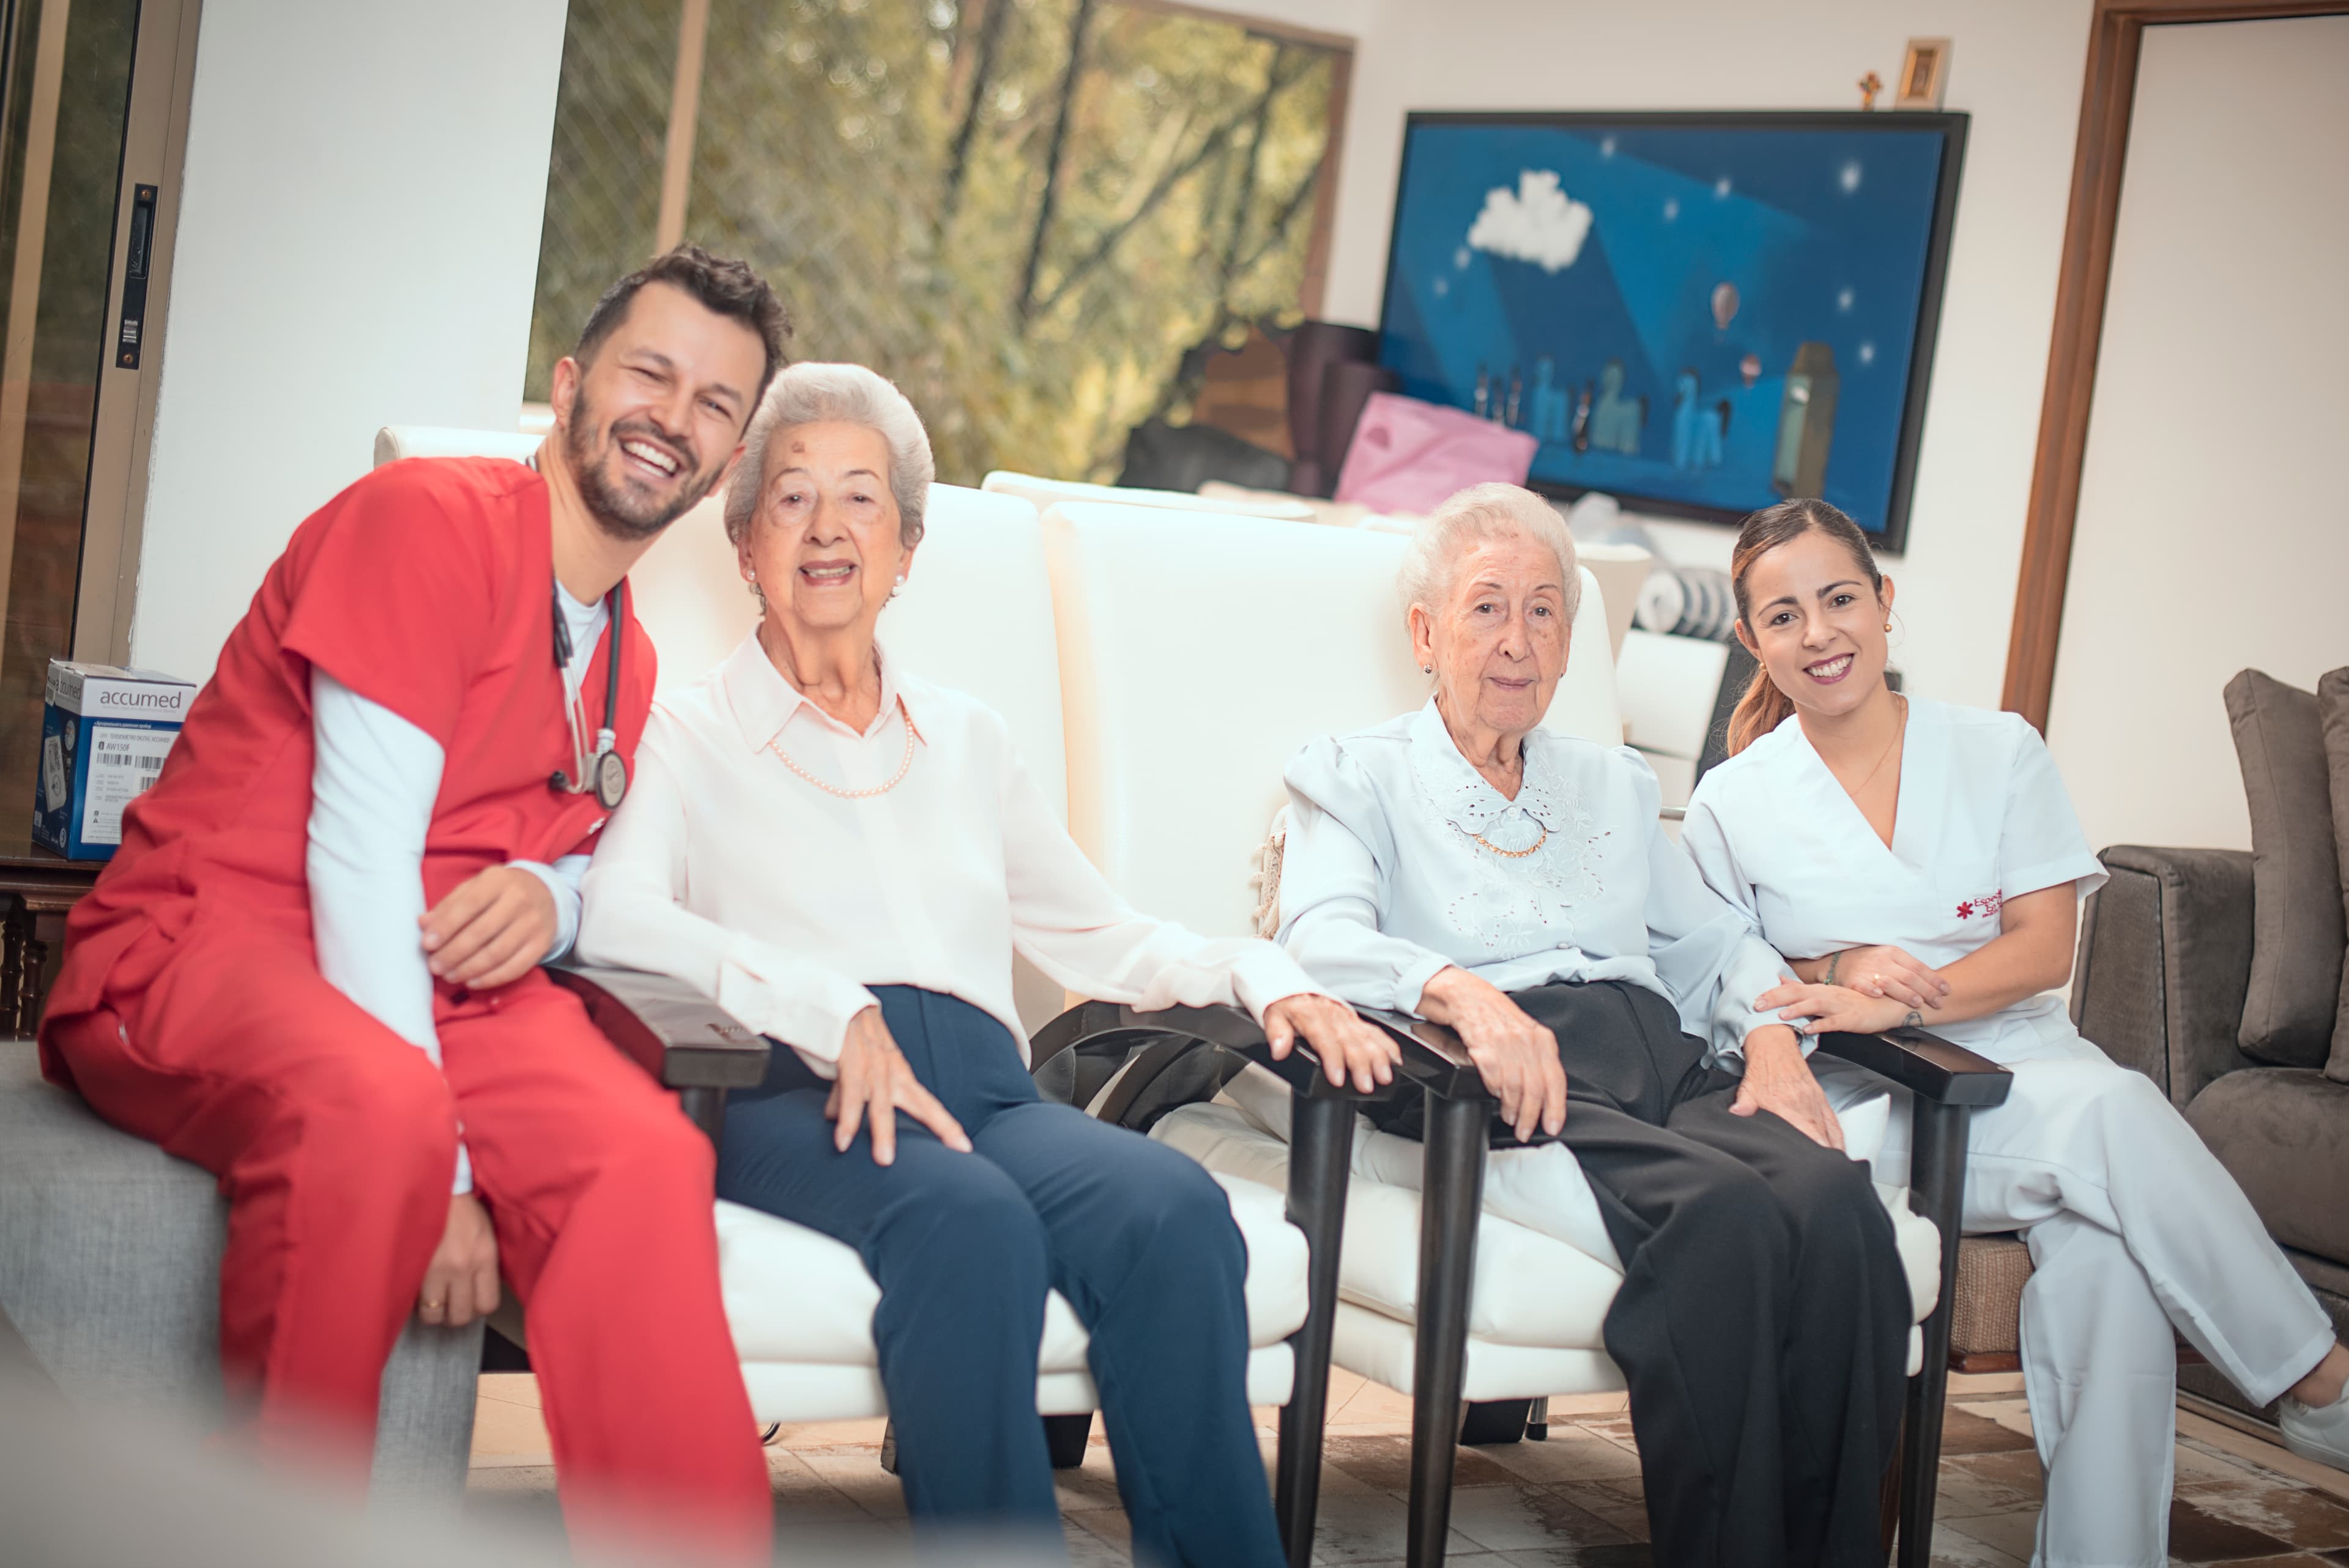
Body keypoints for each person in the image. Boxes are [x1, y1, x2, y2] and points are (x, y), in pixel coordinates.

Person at [574, 361, 1398, 1567]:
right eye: (791, 499)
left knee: (1174, 1212)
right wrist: (820, 1000)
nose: (828, 528)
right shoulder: (691, 733)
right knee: (971, 1227)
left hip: (988, 1093)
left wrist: (1264, 974)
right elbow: (614, 918)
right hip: (796, 1092)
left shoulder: (967, 737)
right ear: (745, 544)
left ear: (906, 549)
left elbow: (1104, 935)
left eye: (862, 500)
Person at [36, 247, 789, 1563]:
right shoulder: (423, 521)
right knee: (377, 1111)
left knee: (646, 1158)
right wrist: (445, 1175)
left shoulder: (628, 657)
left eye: (716, 404)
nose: (676, 416)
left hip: (439, 972)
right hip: (210, 940)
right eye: (651, 373)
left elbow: (576, 871)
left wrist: (551, 904)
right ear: (568, 386)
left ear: (725, 460)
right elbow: (358, 855)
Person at [1681, 497, 2349, 1568]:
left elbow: (2045, 947)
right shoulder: (1734, 802)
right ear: (1752, 639)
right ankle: (2318, 1379)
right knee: (2121, 1115)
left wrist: (1903, 991)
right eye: (1785, 616)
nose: (1821, 634)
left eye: (1841, 599)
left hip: (2036, 1068)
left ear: (1885, 602)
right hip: (1876, 1106)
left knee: (2108, 1259)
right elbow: (1722, 970)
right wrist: (1830, 970)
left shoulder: (1998, 750)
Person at [1274, 481, 1912, 1568]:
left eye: (1542, 610)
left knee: (1839, 1208)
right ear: (1426, 633)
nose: (1516, 641)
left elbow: (1709, 940)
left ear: (1570, 640)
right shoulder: (1359, 773)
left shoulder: (1611, 783)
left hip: (1658, 1058)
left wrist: (1765, 1035)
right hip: (1503, 1077)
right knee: (1724, 1220)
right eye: (1485, 608)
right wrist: (1463, 994)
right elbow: (1317, 939)